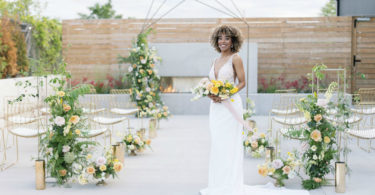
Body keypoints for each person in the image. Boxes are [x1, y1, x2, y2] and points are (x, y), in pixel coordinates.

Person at [200, 25, 308, 195]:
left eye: (227, 38)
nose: (223, 41)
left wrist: (226, 94)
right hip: (216, 109)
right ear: (216, 41)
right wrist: (209, 93)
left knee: (230, 146)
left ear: (233, 40)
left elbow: (242, 82)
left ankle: (230, 186)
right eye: (220, 38)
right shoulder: (214, 61)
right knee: (218, 145)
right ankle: (217, 184)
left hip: (230, 107)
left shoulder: (236, 58)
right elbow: (211, 83)